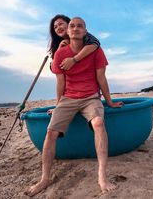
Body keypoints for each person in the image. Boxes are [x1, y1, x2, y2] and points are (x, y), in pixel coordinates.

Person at [25, 17, 123, 197]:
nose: (75, 28)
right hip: (68, 98)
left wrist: (109, 101)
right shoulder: (60, 53)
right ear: (68, 32)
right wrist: (58, 105)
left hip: (91, 97)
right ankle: (44, 178)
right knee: (50, 132)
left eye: (79, 26)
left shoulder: (96, 49)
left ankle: (102, 176)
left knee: (99, 123)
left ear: (85, 31)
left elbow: (101, 78)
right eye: (72, 26)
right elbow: (60, 82)